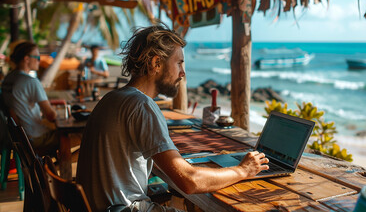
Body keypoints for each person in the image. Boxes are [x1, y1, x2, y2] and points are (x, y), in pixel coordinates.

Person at [76, 25, 269, 212]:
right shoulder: (142, 105)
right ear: (156, 63)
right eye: (179, 63)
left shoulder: (111, 98)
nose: (183, 73)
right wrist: (243, 170)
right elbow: (189, 181)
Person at [1, 41, 58, 153]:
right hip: (35, 137)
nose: (39, 60)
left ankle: (48, 167)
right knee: (73, 136)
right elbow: (50, 115)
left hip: (17, 137)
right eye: (36, 56)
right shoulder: (30, 81)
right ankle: (59, 169)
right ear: (26, 59)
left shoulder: (7, 79)